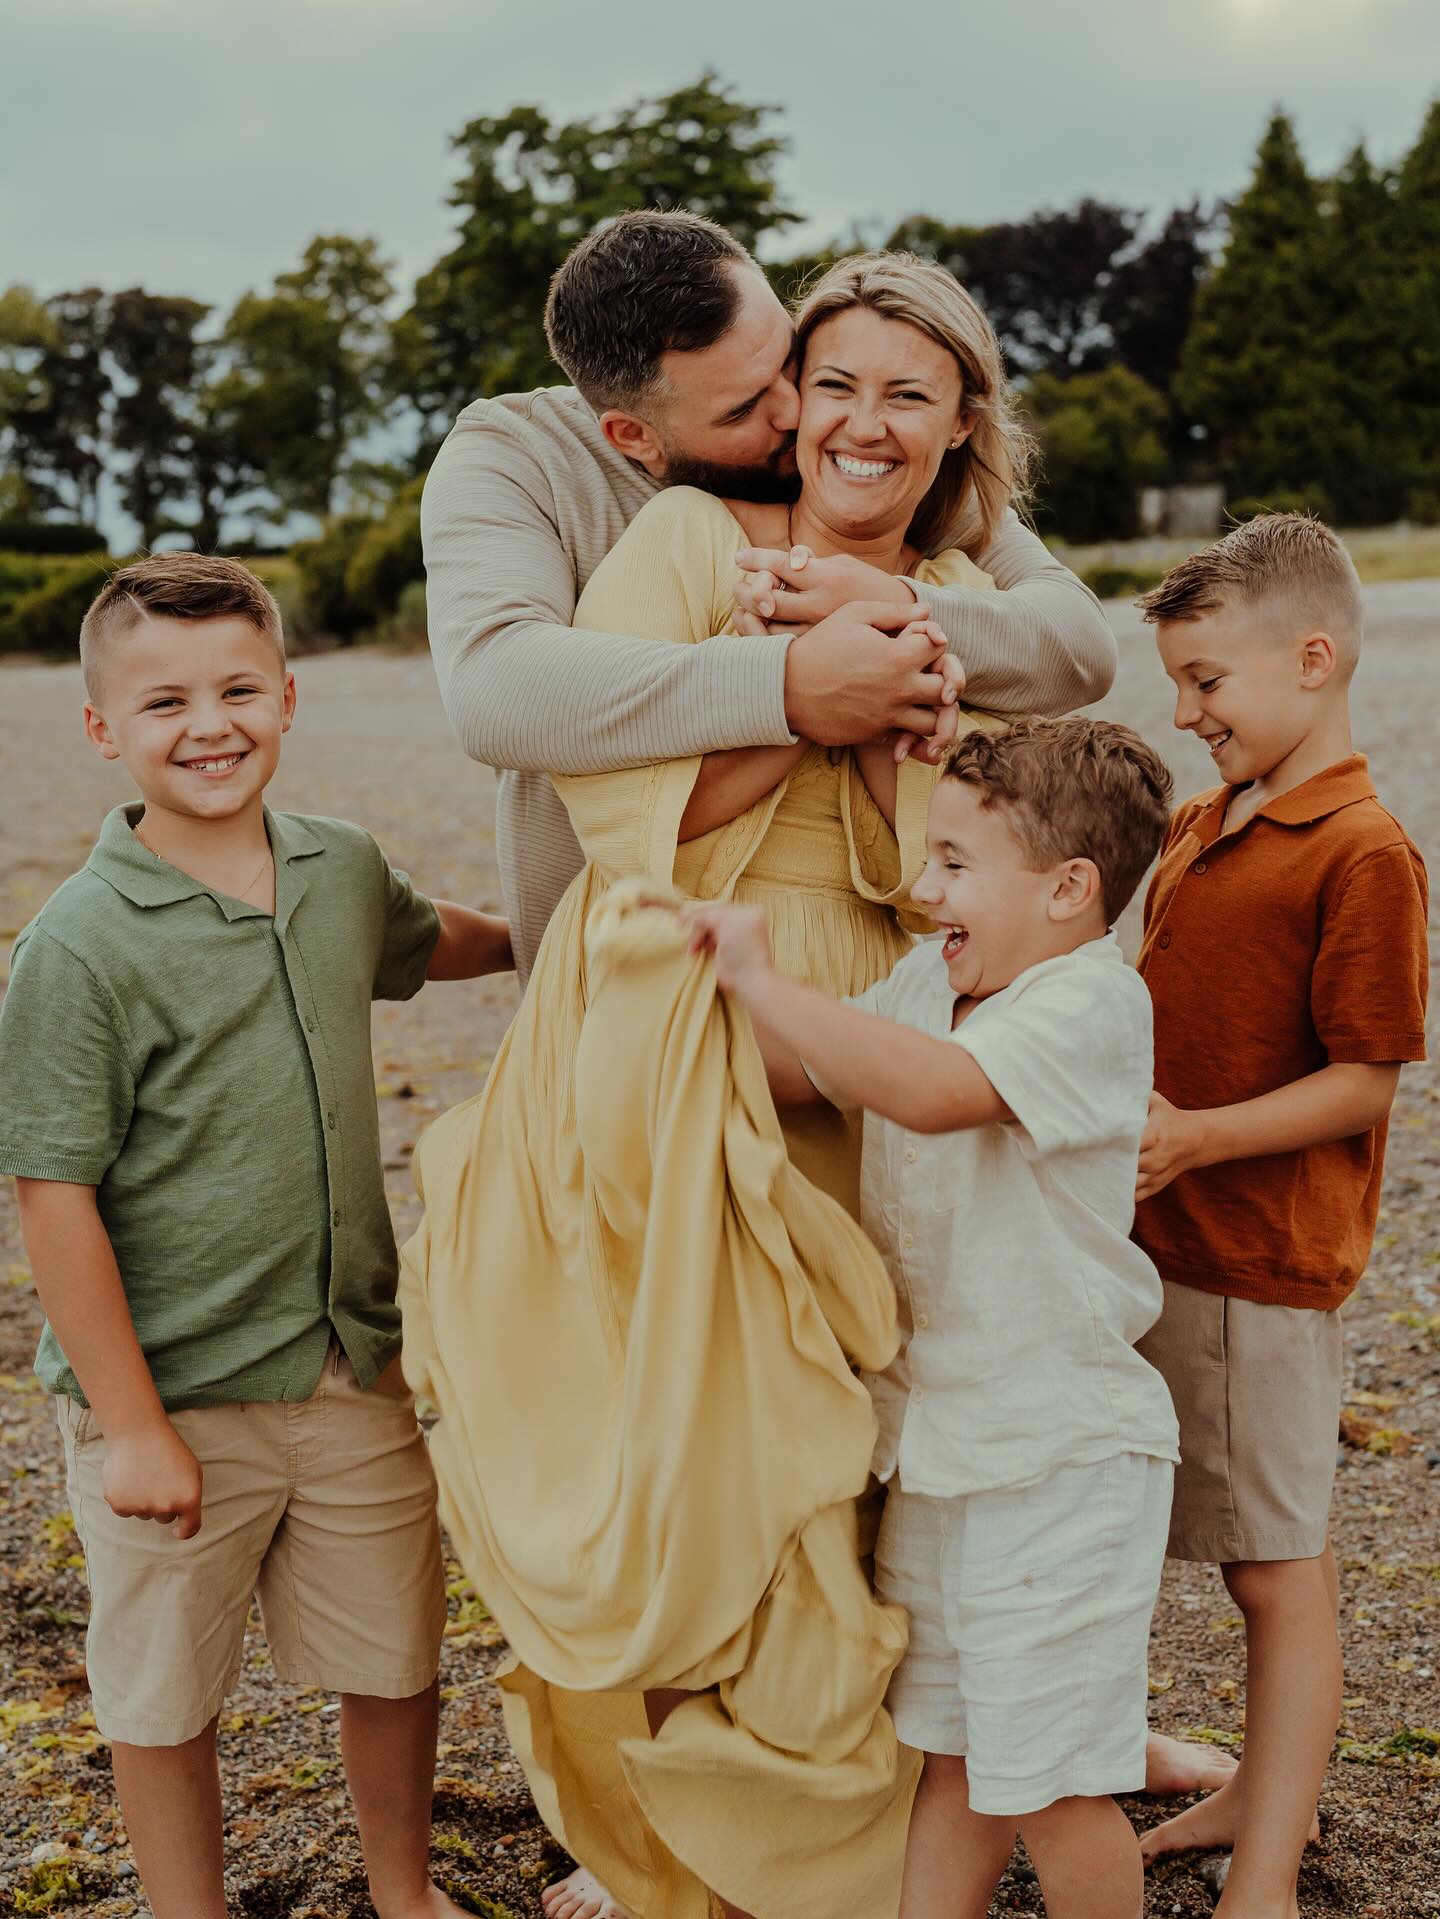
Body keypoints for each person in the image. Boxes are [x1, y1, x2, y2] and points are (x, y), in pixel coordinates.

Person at [402, 249, 1051, 1919]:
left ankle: (863, 1804)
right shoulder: (683, 530)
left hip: (863, 1022)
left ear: (958, 421)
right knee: (696, 1441)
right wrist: (803, 695)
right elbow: (612, 792)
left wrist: (892, 648)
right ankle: (677, 1826)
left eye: (880, 390)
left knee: (861, 1434)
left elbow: (943, 842)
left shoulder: (949, 573)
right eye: (803, 391)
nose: (823, 420)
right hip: (677, 1002)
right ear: (648, 426)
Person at [0, 554, 514, 1919]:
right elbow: (53, 1193)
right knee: (164, 1687)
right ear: (102, 728)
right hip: (171, 1387)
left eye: (236, 689)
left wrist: (553, 939)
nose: (208, 724)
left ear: (287, 697)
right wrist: (132, 1427)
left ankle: (403, 1889)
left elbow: (432, 939)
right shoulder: (79, 944)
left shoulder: (338, 865)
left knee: (395, 1650)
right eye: (164, 701)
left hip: (350, 1361)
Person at [687, 715, 1183, 1919]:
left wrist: (764, 976)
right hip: (941, 1453)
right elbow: (814, 1069)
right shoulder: (930, 981)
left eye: (956, 863)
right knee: (954, 1759)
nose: (924, 888)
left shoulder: (1089, 1001)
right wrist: (681, 1002)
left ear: (1069, 888)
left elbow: (931, 1091)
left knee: (1057, 1786)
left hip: (1057, 1461)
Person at [420, 207, 1119, 982]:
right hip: (612, 973)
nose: (795, 412)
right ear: (634, 436)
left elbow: (1077, 643)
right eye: (744, 408)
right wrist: (789, 686)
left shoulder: (849, 457)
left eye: (789, 362)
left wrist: (886, 607)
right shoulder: (518, 458)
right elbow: (492, 686)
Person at [1128, 516, 1429, 1918]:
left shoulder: (1363, 850)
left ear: (1314, 658)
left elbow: (1366, 1077)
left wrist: (1196, 1139)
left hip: (1260, 1262)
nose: (1187, 713)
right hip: (1159, 1247)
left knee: (1274, 1568)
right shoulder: (1206, 819)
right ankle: (1254, 1787)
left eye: (1207, 682)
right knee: (1169, 1537)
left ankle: (1268, 1871)